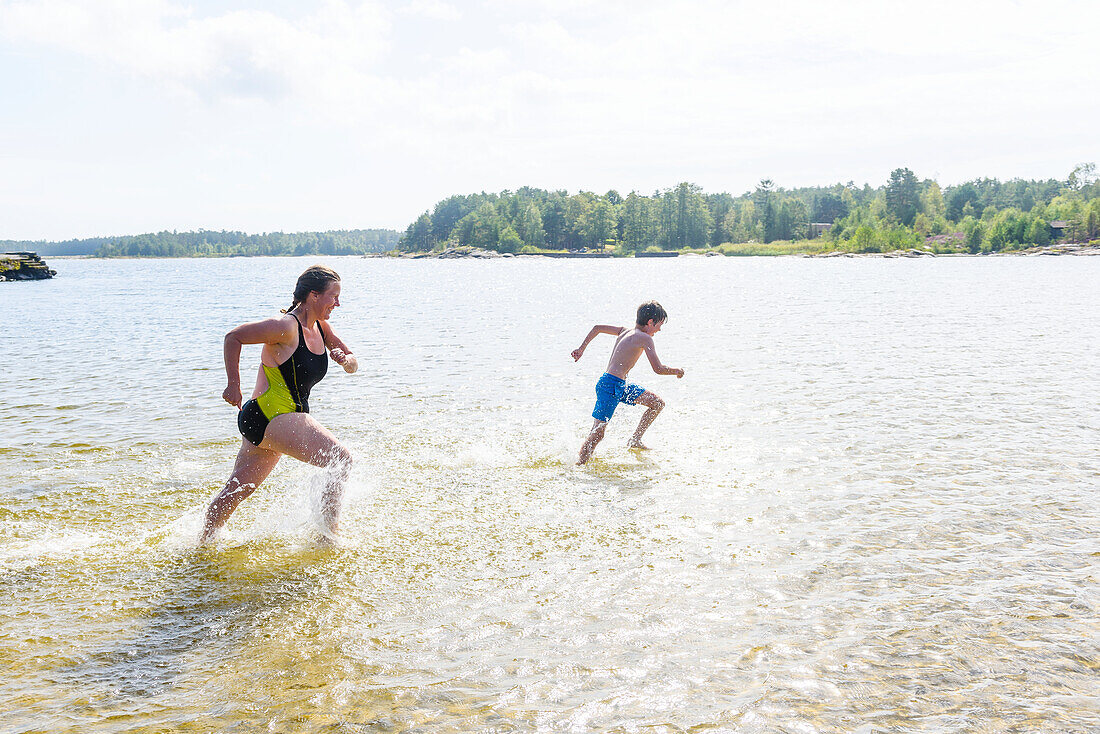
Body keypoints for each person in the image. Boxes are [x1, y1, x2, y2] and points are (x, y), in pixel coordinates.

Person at [201, 265, 357, 544]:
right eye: (333, 296)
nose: (338, 303)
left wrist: (345, 361)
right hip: (274, 414)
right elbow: (233, 337)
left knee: (238, 489)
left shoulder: (322, 328)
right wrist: (233, 384)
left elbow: (353, 363)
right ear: (313, 295)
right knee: (341, 460)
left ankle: (202, 544)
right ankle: (327, 539)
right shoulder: (285, 326)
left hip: (265, 420)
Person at [571, 301, 684, 465]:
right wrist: (676, 371)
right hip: (610, 386)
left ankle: (635, 440)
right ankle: (579, 466)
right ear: (650, 322)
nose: (660, 329)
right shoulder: (645, 338)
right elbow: (658, 368)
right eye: (659, 325)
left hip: (620, 385)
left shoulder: (625, 331)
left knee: (657, 403)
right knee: (597, 434)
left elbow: (597, 328)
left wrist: (581, 349)